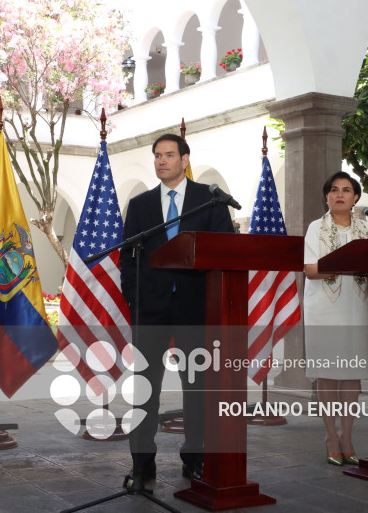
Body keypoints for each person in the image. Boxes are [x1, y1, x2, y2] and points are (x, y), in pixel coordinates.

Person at [119, 133, 234, 491]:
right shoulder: (140, 205)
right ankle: (141, 464)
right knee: (144, 389)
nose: (161, 161)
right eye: (157, 156)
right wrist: (136, 303)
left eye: (169, 155)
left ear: (185, 160)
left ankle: (195, 459)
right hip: (150, 310)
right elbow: (127, 258)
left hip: (194, 308)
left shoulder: (209, 201)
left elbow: (224, 250)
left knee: (196, 388)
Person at [303, 172, 368, 467]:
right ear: (327, 196)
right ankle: (331, 436)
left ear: (356, 197)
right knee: (328, 374)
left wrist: (346, 267)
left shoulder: (367, 229)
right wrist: (340, 268)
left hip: (356, 307)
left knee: (351, 375)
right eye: (334, 190)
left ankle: (347, 436)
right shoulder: (315, 228)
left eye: (347, 190)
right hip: (324, 308)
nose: (340, 194)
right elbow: (310, 269)